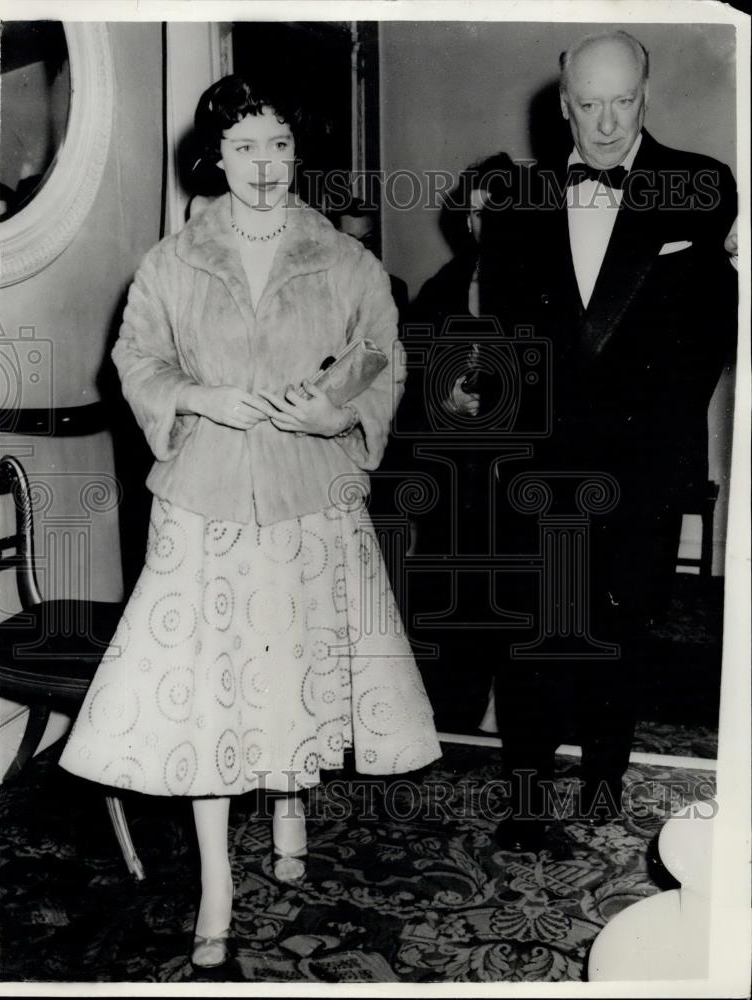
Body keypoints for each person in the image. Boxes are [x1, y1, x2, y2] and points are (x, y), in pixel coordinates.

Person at [59, 72, 441, 967]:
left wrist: (338, 414)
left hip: (310, 496)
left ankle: (289, 801)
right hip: (207, 502)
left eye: (276, 145)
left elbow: (381, 361)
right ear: (214, 156)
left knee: (294, 669)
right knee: (210, 697)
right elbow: (137, 360)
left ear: (297, 151)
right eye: (241, 147)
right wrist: (201, 396)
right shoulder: (170, 261)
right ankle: (217, 886)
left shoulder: (345, 262)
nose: (262, 166)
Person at [482, 30, 737, 850]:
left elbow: (708, 338)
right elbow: (510, 334)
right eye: (585, 104)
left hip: (641, 456)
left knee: (618, 631)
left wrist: (642, 440)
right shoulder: (517, 202)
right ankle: (524, 802)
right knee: (530, 633)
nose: (602, 124)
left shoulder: (700, 186)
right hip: (538, 456)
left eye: (620, 101)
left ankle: (600, 782)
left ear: (646, 95)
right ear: (561, 104)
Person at [405, 154, 516, 733]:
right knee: (454, 584)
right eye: (471, 211)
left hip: (523, 473)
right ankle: (457, 709)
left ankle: (513, 707)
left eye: (491, 210)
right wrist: (444, 396)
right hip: (458, 475)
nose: (479, 222)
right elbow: (412, 370)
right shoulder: (444, 285)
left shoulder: (545, 284)